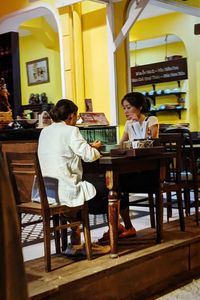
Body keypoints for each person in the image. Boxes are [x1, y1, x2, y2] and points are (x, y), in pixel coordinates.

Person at [118, 92, 159, 238]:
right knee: (115, 185)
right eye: (124, 108)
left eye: (128, 107)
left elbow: (151, 142)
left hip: (149, 171)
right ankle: (123, 226)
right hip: (133, 169)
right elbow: (121, 144)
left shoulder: (151, 120)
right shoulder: (128, 124)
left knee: (118, 186)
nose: (125, 111)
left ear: (139, 107)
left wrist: (138, 125)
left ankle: (124, 226)